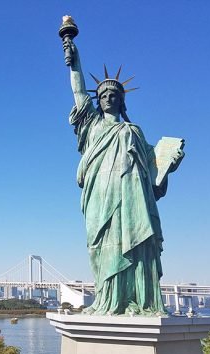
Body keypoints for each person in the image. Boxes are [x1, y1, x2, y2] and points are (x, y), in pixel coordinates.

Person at [64, 40, 184, 315]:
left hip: (132, 196)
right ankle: (108, 300)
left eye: (114, 95)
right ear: (98, 100)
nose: (108, 98)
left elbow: (154, 174)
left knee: (138, 242)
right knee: (102, 246)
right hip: (99, 193)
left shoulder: (134, 131)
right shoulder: (91, 124)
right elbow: (78, 91)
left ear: (121, 100)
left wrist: (170, 165)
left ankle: (138, 301)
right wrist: (74, 59)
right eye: (103, 95)